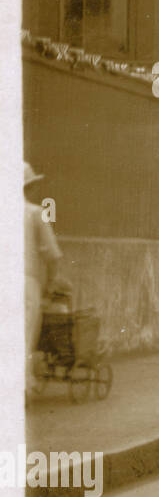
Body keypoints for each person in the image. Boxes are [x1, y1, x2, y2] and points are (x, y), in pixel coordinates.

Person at [24, 163, 61, 390]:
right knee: (24, 336)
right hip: (26, 283)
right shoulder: (35, 213)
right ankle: (21, 389)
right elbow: (53, 255)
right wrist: (50, 284)